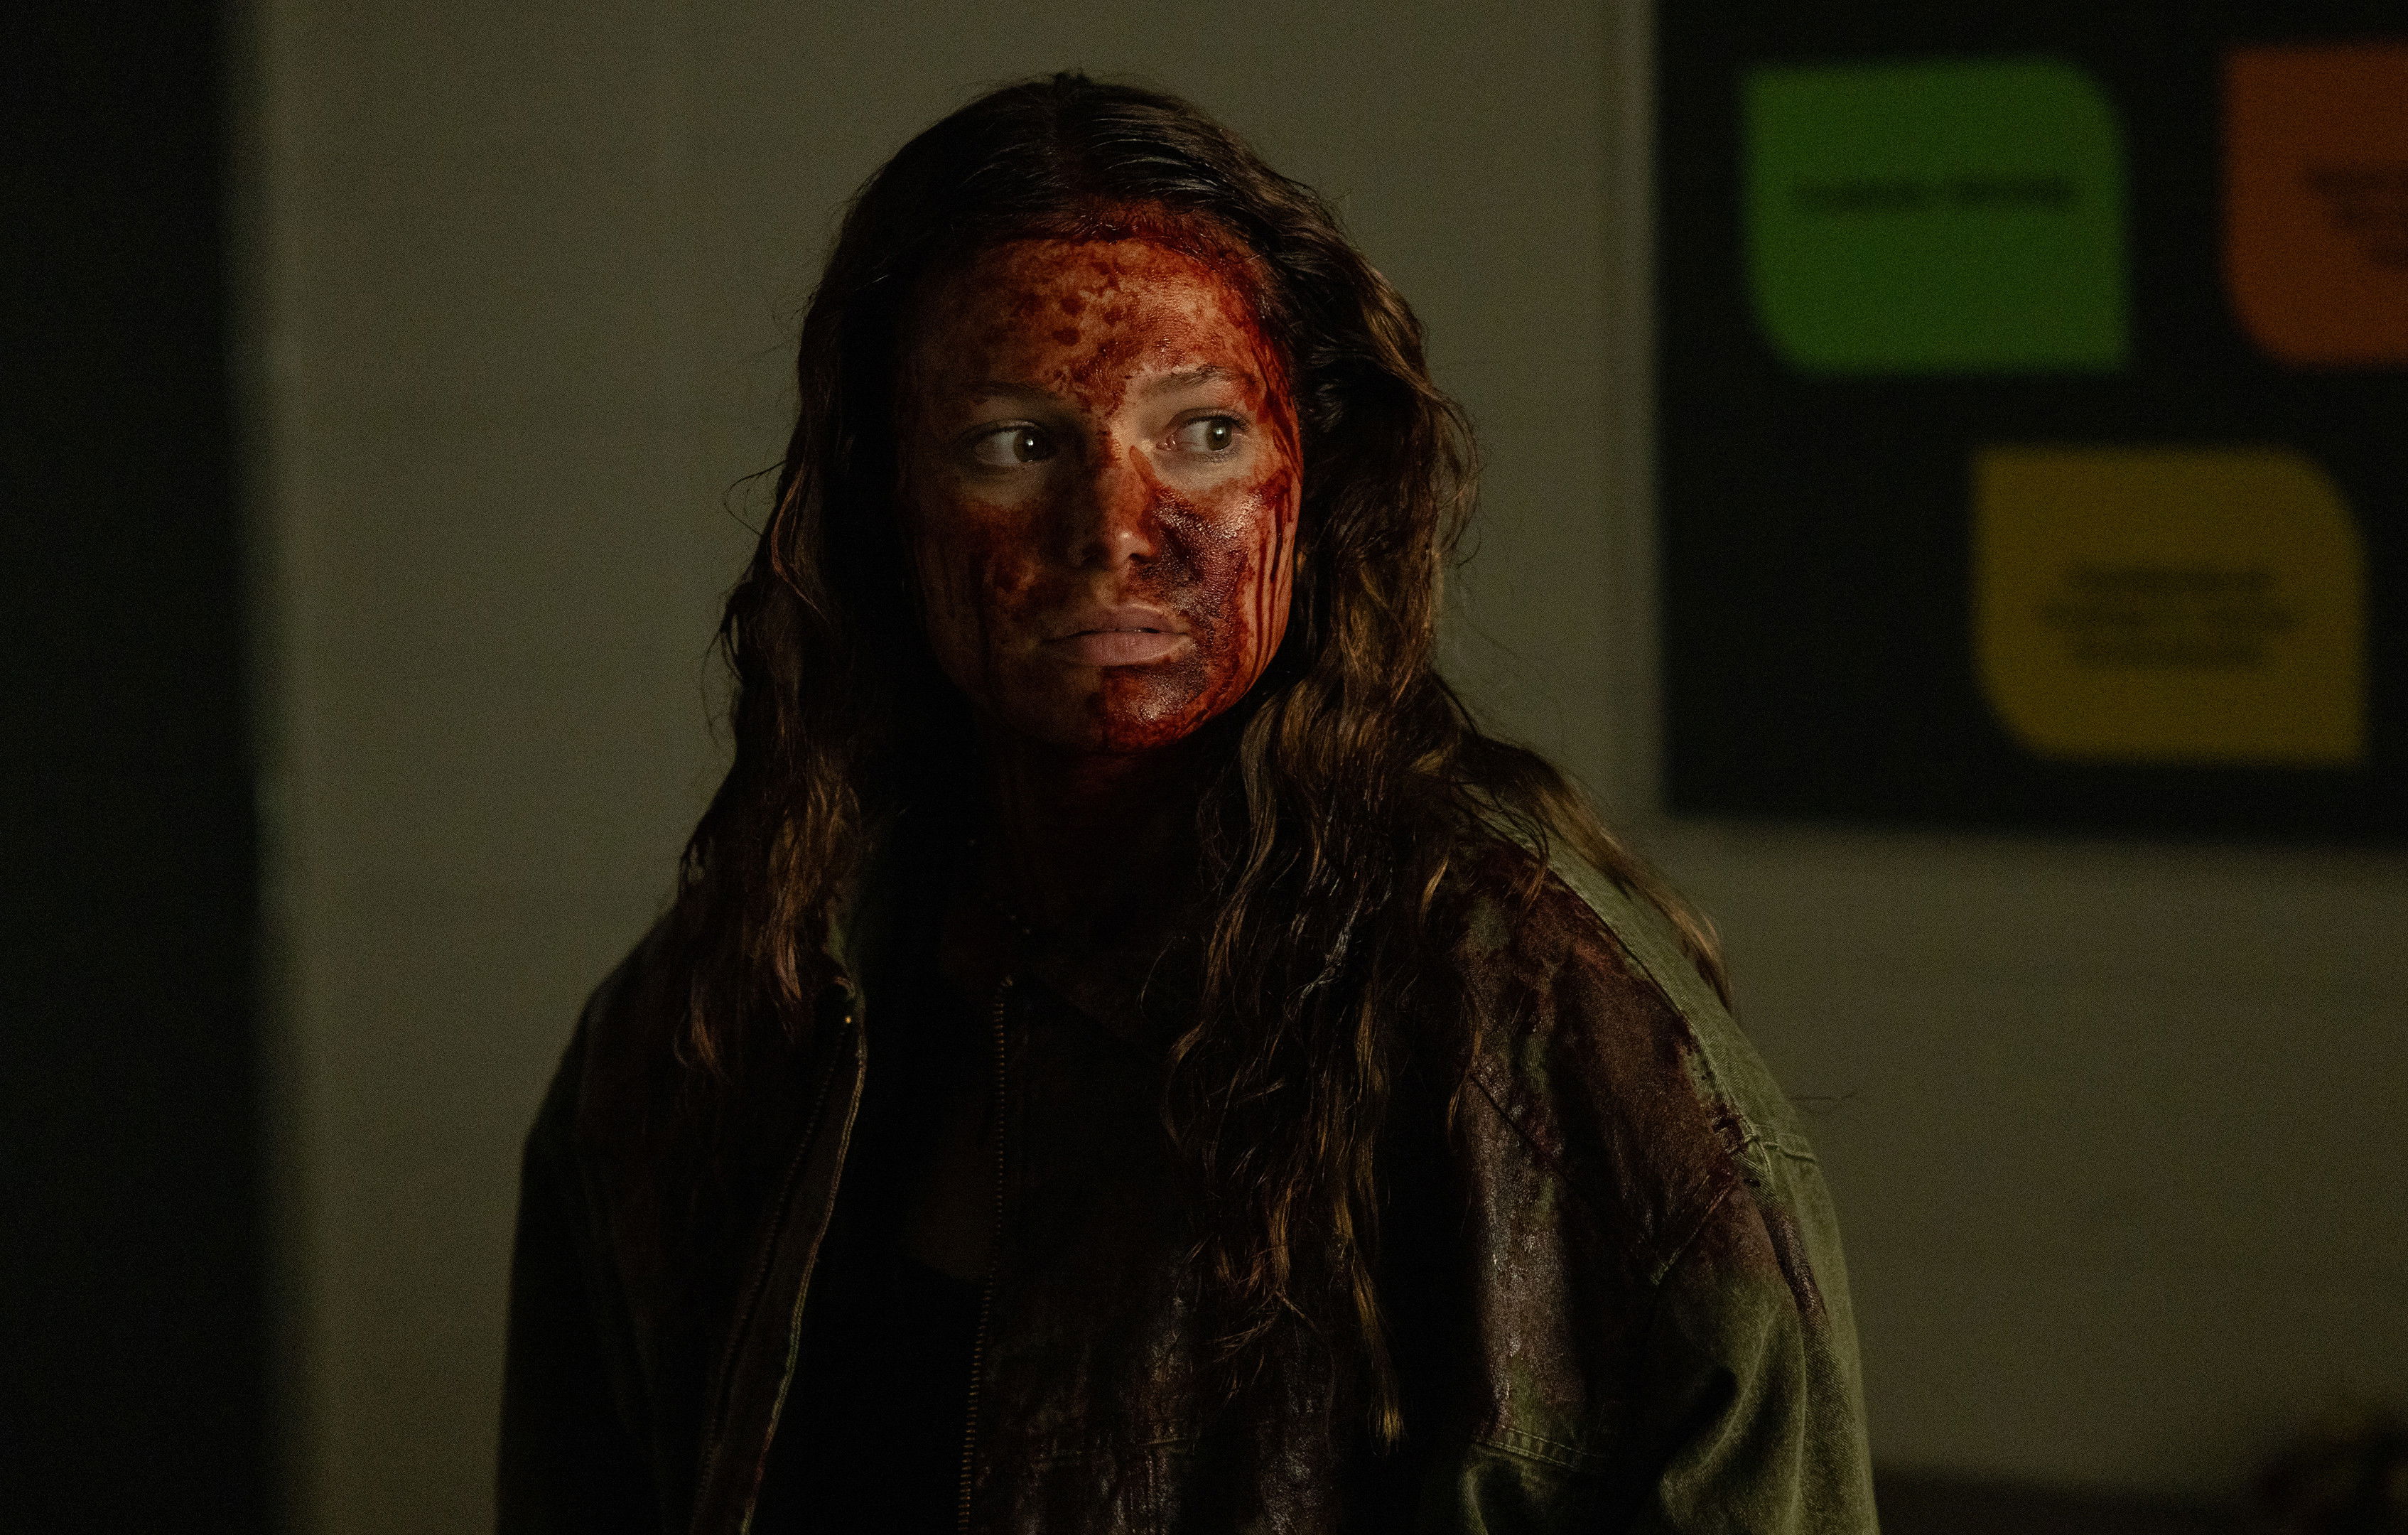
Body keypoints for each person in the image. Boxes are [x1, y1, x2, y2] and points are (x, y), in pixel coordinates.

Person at [495, 72, 1874, 1534]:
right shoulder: (718, 1018)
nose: (1116, 534)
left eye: (1205, 433)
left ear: (1310, 476)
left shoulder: (1524, 1023)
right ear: (885, 498)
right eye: (1017, 443)